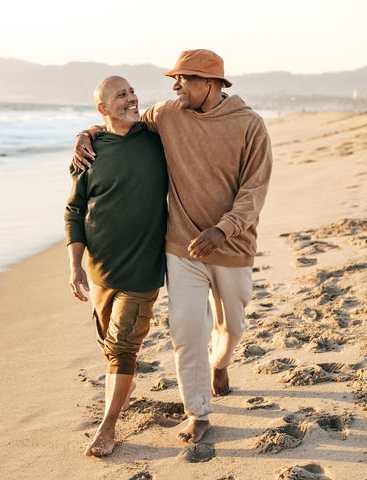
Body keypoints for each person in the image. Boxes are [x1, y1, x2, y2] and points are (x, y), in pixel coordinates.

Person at [73, 49, 273, 444]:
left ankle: (221, 363)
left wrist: (223, 229)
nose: (175, 87)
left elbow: (255, 191)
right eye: (174, 81)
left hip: (232, 247)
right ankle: (197, 412)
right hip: (182, 246)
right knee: (185, 330)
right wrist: (87, 133)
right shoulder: (167, 114)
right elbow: (120, 121)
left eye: (184, 80)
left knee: (231, 328)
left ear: (211, 84)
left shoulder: (250, 125)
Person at [64, 75, 167, 457]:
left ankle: (107, 429)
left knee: (124, 347)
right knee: (110, 346)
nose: (131, 98)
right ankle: (125, 384)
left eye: (132, 91)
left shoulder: (157, 138)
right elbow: (74, 211)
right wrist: (75, 265)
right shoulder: (88, 152)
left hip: (143, 267)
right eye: (120, 95)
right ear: (102, 109)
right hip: (100, 269)